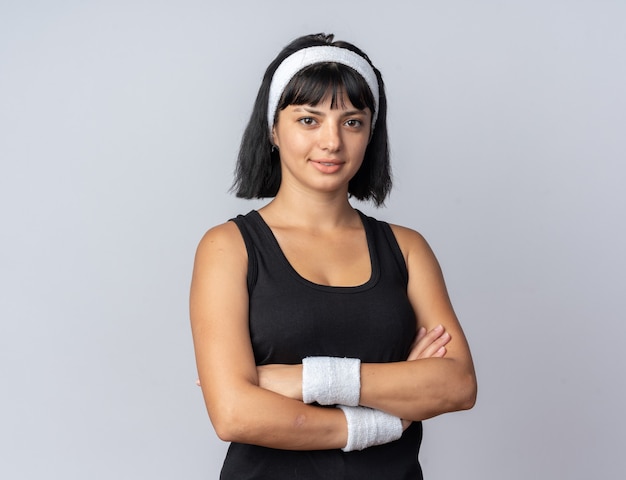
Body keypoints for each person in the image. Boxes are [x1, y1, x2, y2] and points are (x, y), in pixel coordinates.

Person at [190, 33, 477, 479]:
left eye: (352, 122)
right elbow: (234, 414)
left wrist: (299, 381)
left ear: (370, 133)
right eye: (308, 120)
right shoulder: (227, 247)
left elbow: (457, 385)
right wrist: (379, 419)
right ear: (272, 129)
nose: (331, 142)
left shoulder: (406, 248)